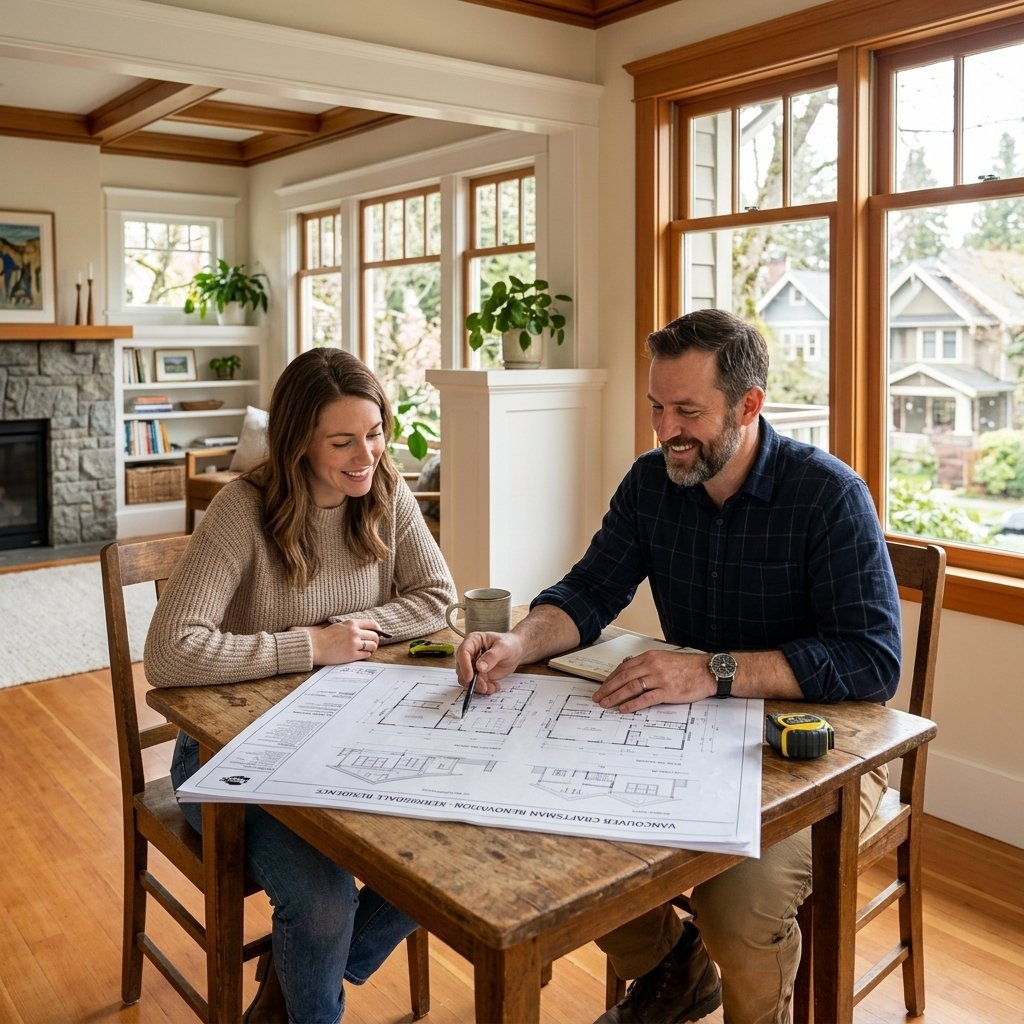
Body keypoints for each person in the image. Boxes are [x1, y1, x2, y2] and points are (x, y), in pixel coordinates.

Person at [454, 308, 902, 1024]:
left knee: (735, 903)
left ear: (749, 406)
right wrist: (517, 641)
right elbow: (588, 591)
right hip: (697, 735)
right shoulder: (650, 483)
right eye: (658, 407)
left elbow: (872, 662)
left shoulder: (829, 495)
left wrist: (712, 672)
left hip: (826, 751)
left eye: (688, 410)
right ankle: (674, 968)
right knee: (562, 829)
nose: (666, 429)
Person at [145, 347, 456, 1024]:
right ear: (297, 443)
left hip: (343, 738)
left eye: (374, 434)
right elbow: (169, 653)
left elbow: (438, 597)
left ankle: (291, 989)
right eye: (342, 442)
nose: (366, 456)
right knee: (321, 902)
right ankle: (307, 985)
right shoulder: (242, 509)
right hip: (227, 760)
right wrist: (310, 646)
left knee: (448, 844)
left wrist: (359, 623)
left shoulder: (385, 491)